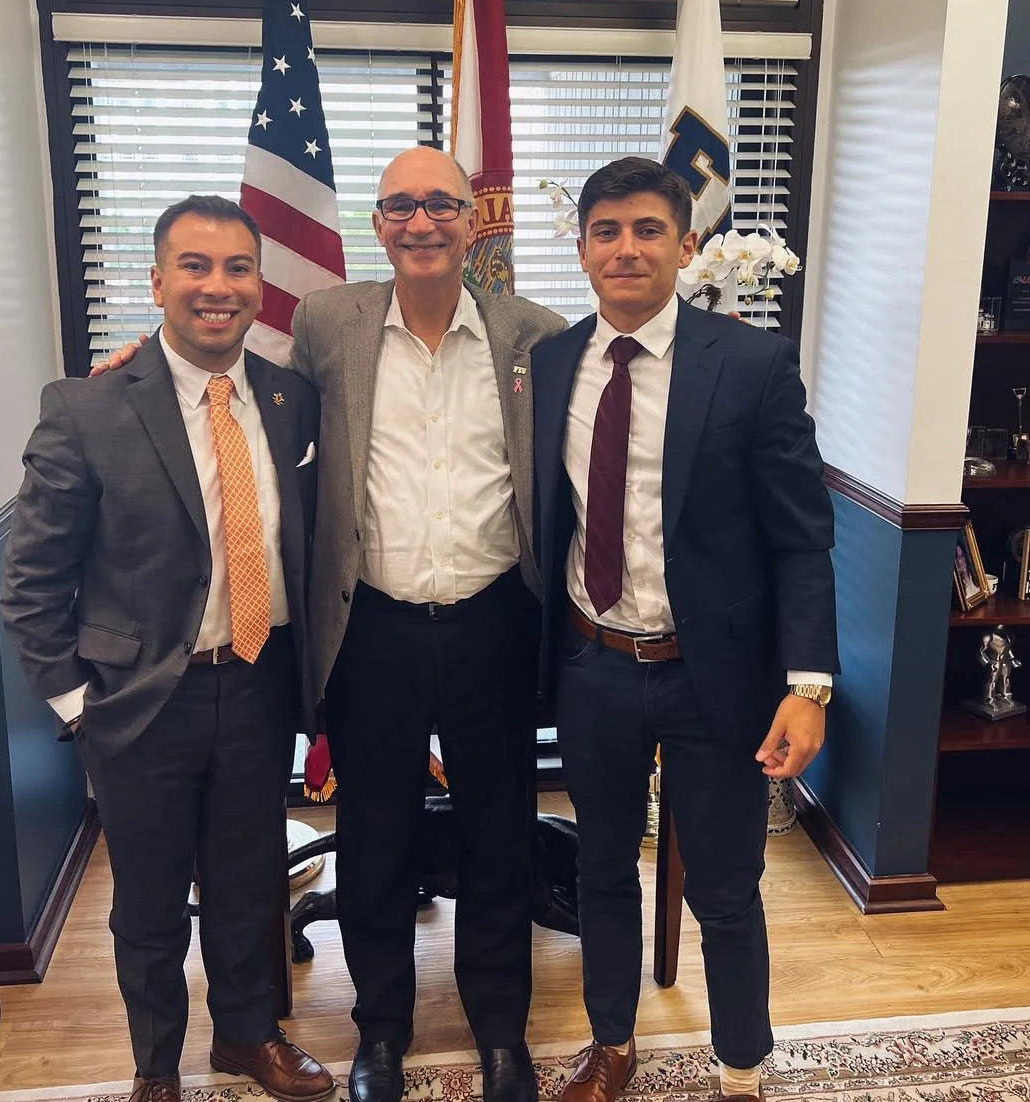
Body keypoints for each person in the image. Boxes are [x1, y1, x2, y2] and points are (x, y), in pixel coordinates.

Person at [0, 196, 332, 1102]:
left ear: (259, 285)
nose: (217, 287)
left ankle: (248, 1037)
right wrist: (80, 707)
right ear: (157, 282)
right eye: (195, 265)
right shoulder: (87, 407)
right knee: (148, 904)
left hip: (259, 684)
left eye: (237, 268)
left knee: (247, 883)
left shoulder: (290, 400)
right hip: (140, 701)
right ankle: (156, 1066)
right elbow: (31, 581)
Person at [531, 157, 838, 1102]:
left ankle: (741, 1067)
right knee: (602, 869)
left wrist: (808, 686)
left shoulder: (749, 365)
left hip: (718, 676)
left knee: (725, 888)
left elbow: (801, 535)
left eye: (648, 230)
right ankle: (611, 1044)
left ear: (687, 245)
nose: (626, 249)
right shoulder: (550, 364)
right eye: (607, 231)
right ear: (581, 248)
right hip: (593, 662)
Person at [290, 146, 565, 1102]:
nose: (421, 222)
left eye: (441, 204)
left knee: (500, 832)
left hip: (496, 620)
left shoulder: (536, 335)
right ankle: (380, 1031)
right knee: (376, 836)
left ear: (472, 220)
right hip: (373, 626)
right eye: (400, 206)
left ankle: (500, 1031)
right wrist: (134, 360)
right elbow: (252, 397)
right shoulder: (327, 323)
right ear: (376, 224)